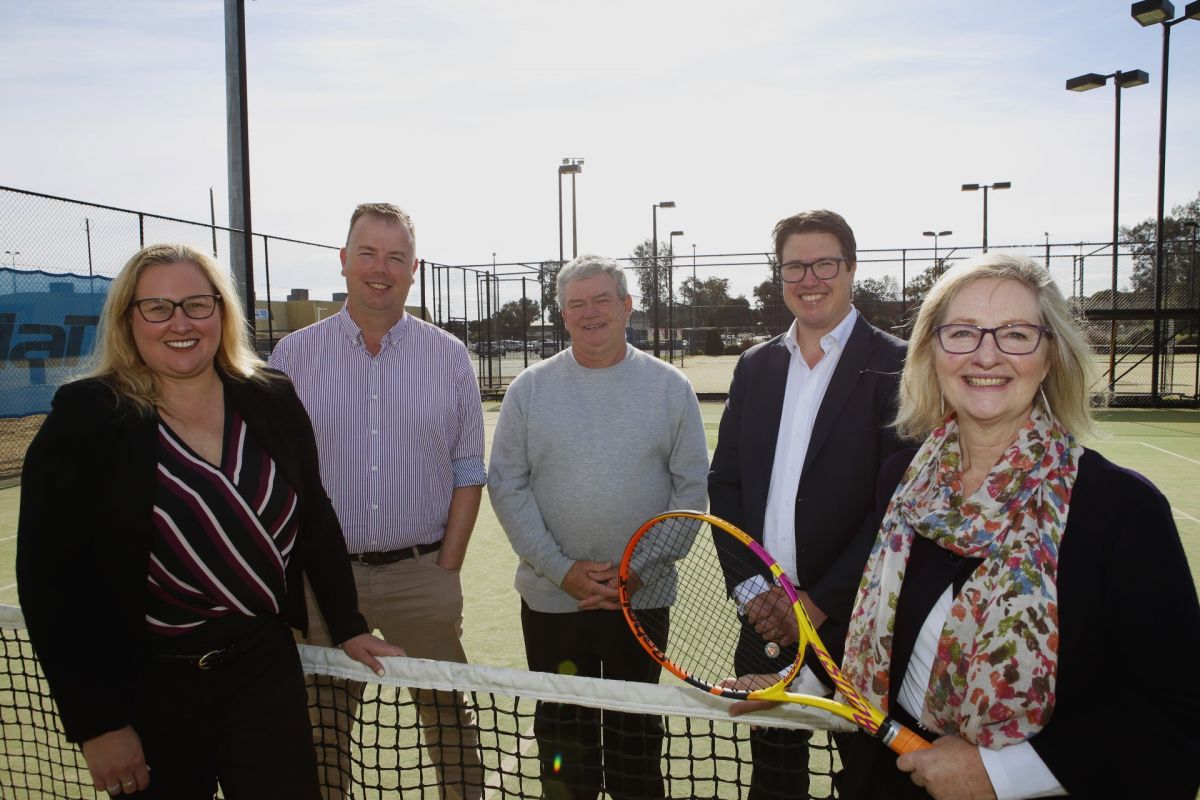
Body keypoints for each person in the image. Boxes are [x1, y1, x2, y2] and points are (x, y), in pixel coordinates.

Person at [16, 244, 402, 800]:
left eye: (198, 304)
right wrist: (98, 724)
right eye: (158, 308)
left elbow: (314, 515)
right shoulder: (87, 417)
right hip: (150, 689)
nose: (181, 322)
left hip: (264, 670)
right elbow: (49, 586)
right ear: (129, 319)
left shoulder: (271, 394)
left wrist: (348, 624)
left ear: (222, 312)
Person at [838, 253, 1200, 799]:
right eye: (961, 332)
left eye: (1015, 334)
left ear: (1051, 354)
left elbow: (1177, 721)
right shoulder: (902, 478)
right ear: (931, 352)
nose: (986, 354)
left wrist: (1000, 774)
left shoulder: (1121, 509)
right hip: (883, 779)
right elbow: (887, 635)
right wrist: (805, 677)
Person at [268, 203, 485, 800]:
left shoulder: (447, 355)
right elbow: (276, 476)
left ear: (413, 269)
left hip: (422, 571)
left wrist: (446, 570)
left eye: (395, 257)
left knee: (449, 721)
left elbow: (469, 468)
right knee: (321, 731)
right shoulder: (292, 356)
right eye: (367, 253)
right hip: (322, 580)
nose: (380, 269)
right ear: (344, 261)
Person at [487, 254, 709, 800]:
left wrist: (637, 570)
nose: (590, 313)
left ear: (627, 306)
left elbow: (690, 492)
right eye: (576, 304)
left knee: (637, 738)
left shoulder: (669, 386)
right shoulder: (530, 389)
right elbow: (506, 484)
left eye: (601, 300)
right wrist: (562, 573)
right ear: (563, 315)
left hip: (641, 602)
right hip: (553, 602)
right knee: (564, 738)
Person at [710, 210, 907, 798]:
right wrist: (754, 593)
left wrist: (818, 604)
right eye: (794, 266)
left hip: (859, 621)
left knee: (872, 776)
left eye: (824, 263)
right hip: (764, 614)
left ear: (850, 269)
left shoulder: (899, 363)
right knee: (773, 776)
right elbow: (727, 485)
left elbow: (895, 508)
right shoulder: (756, 365)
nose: (809, 278)